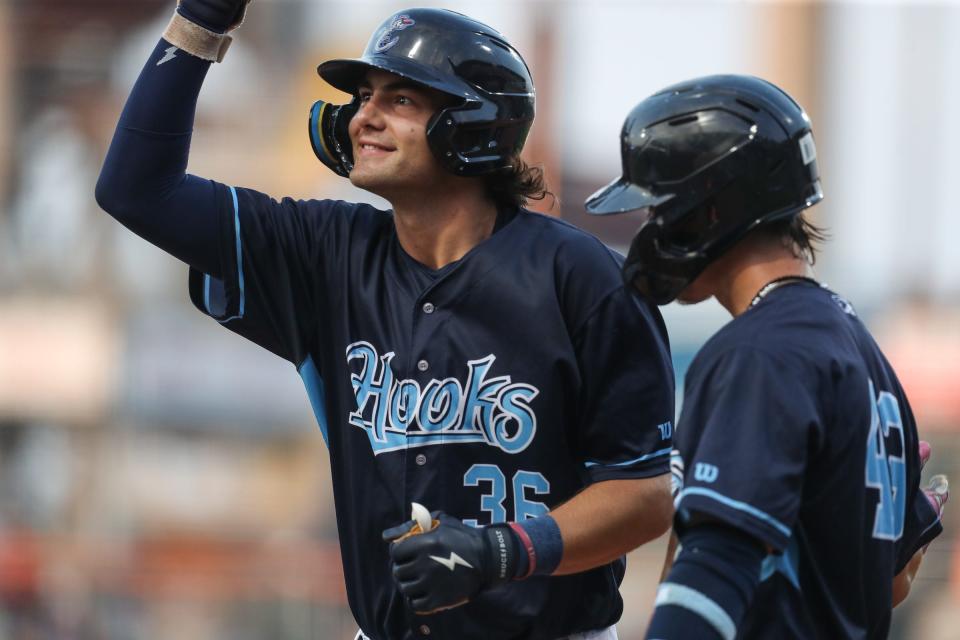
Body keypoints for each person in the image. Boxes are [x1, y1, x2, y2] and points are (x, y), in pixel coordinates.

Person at [95, 3, 676, 639]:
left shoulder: (580, 277)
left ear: (471, 126)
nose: (363, 116)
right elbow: (136, 190)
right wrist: (201, 23)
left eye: (399, 99)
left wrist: (501, 552)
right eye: (364, 96)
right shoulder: (324, 251)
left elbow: (645, 495)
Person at [586, 74, 947, 639]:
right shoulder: (856, 343)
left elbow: (716, 565)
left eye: (660, 210)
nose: (649, 230)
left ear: (709, 211)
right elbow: (895, 580)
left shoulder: (760, 351)